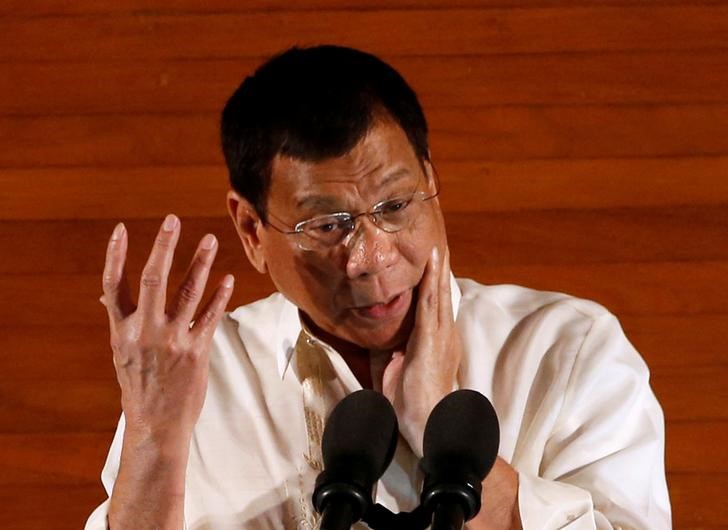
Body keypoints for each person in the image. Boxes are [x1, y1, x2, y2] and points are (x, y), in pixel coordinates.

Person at [86, 45, 671, 529]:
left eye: (395, 206)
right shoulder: (198, 381)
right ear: (251, 230)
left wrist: (440, 425)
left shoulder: (565, 350)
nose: (371, 258)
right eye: (328, 225)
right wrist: (155, 435)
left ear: (431, 179)